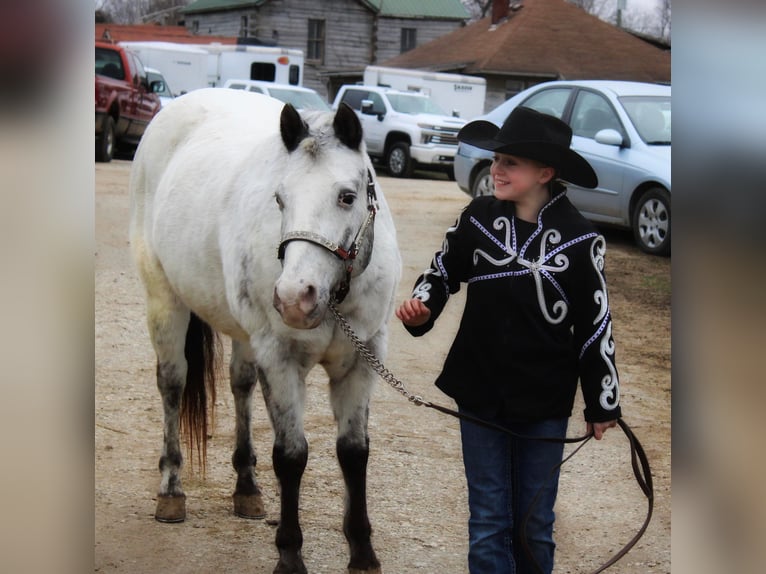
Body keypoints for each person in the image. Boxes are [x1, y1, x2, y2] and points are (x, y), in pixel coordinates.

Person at [395, 106, 621, 574]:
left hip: (543, 400)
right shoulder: (478, 217)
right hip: (479, 392)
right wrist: (422, 306)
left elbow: (595, 325)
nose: (496, 169)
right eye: (496, 160)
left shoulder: (581, 240)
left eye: (510, 163)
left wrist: (602, 402)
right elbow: (441, 272)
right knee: (488, 518)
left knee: (534, 520)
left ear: (545, 172)